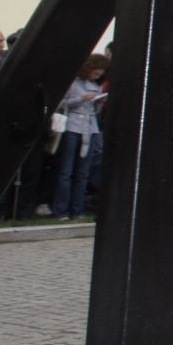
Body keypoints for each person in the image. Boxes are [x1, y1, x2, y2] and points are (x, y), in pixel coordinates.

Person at [50, 53, 108, 220]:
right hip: (72, 126)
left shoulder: (95, 85)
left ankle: (77, 208)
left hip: (90, 127)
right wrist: (81, 98)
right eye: (95, 73)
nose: (97, 76)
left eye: (100, 74)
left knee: (83, 172)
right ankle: (61, 209)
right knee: (66, 170)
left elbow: (95, 110)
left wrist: (98, 103)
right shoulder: (74, 83)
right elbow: (62, 103)